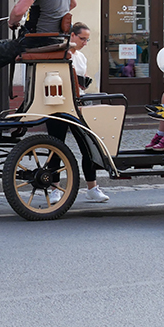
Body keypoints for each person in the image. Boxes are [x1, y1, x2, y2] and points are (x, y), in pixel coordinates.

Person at [52, 22, 109, 203]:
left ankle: (92, 187)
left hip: (78, 103)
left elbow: (79, 82)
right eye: (82, 38)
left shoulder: (82, 57)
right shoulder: (60, 53)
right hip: (59, 104)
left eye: (87, 39)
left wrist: (82, 83)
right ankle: (55, 189)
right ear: (72, 36)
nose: (85, 42)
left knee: (87, 145)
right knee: (56, 147)